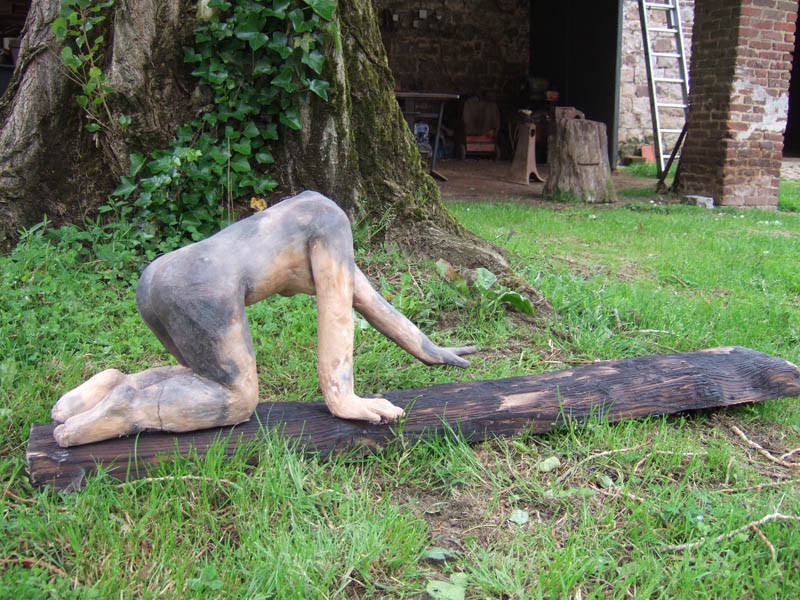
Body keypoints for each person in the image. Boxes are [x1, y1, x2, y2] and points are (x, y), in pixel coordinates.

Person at [51, 191, 476, 447]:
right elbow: (337, 313)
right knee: (237, 398)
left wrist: (431, 350)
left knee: (202, 377)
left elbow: (365, 298)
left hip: (158, 275)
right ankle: (127, 408)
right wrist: (342, 397)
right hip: (202, 285)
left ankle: (113, 385)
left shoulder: (307, 214)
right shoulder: (333, 226)